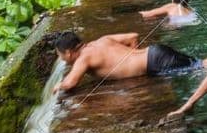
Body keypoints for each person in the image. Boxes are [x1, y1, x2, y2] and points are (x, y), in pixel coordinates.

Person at [52, 31, 198, 92]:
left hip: (156, 62)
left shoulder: (83, 57)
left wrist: (58, 86)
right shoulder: (102, 40)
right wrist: (132, 58)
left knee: (202, 69)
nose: (61, 59)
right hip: (156, 51)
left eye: (60, 55)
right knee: (199, 64)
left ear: (69, 53)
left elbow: (70, 83)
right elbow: (133, 36)